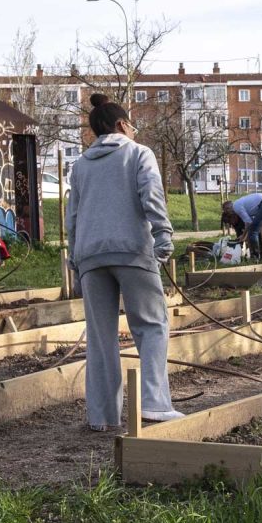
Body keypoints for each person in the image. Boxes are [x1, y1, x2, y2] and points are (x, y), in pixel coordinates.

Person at [67, 93, 181, 431]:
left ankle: (102, 416)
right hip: (132, 250)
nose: (134, 130)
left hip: (90, 256)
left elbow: (72, 216)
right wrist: (163, 235)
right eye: (132, 125)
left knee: (101, 338)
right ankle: (153, 404)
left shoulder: (81, 165)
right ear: (121, 125)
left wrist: (76, 259)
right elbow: (151, 195)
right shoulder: (138, 154)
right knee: (150, 326)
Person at [222, 193, 262, 261]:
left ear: (228, 208)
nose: (228, 212)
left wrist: (243, 236)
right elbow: (250, 223)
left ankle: (255, 258)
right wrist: (243, 236)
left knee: (253, 232)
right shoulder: (241, 204)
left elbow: (249, 224)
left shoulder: (236, 207)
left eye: (227, 211)